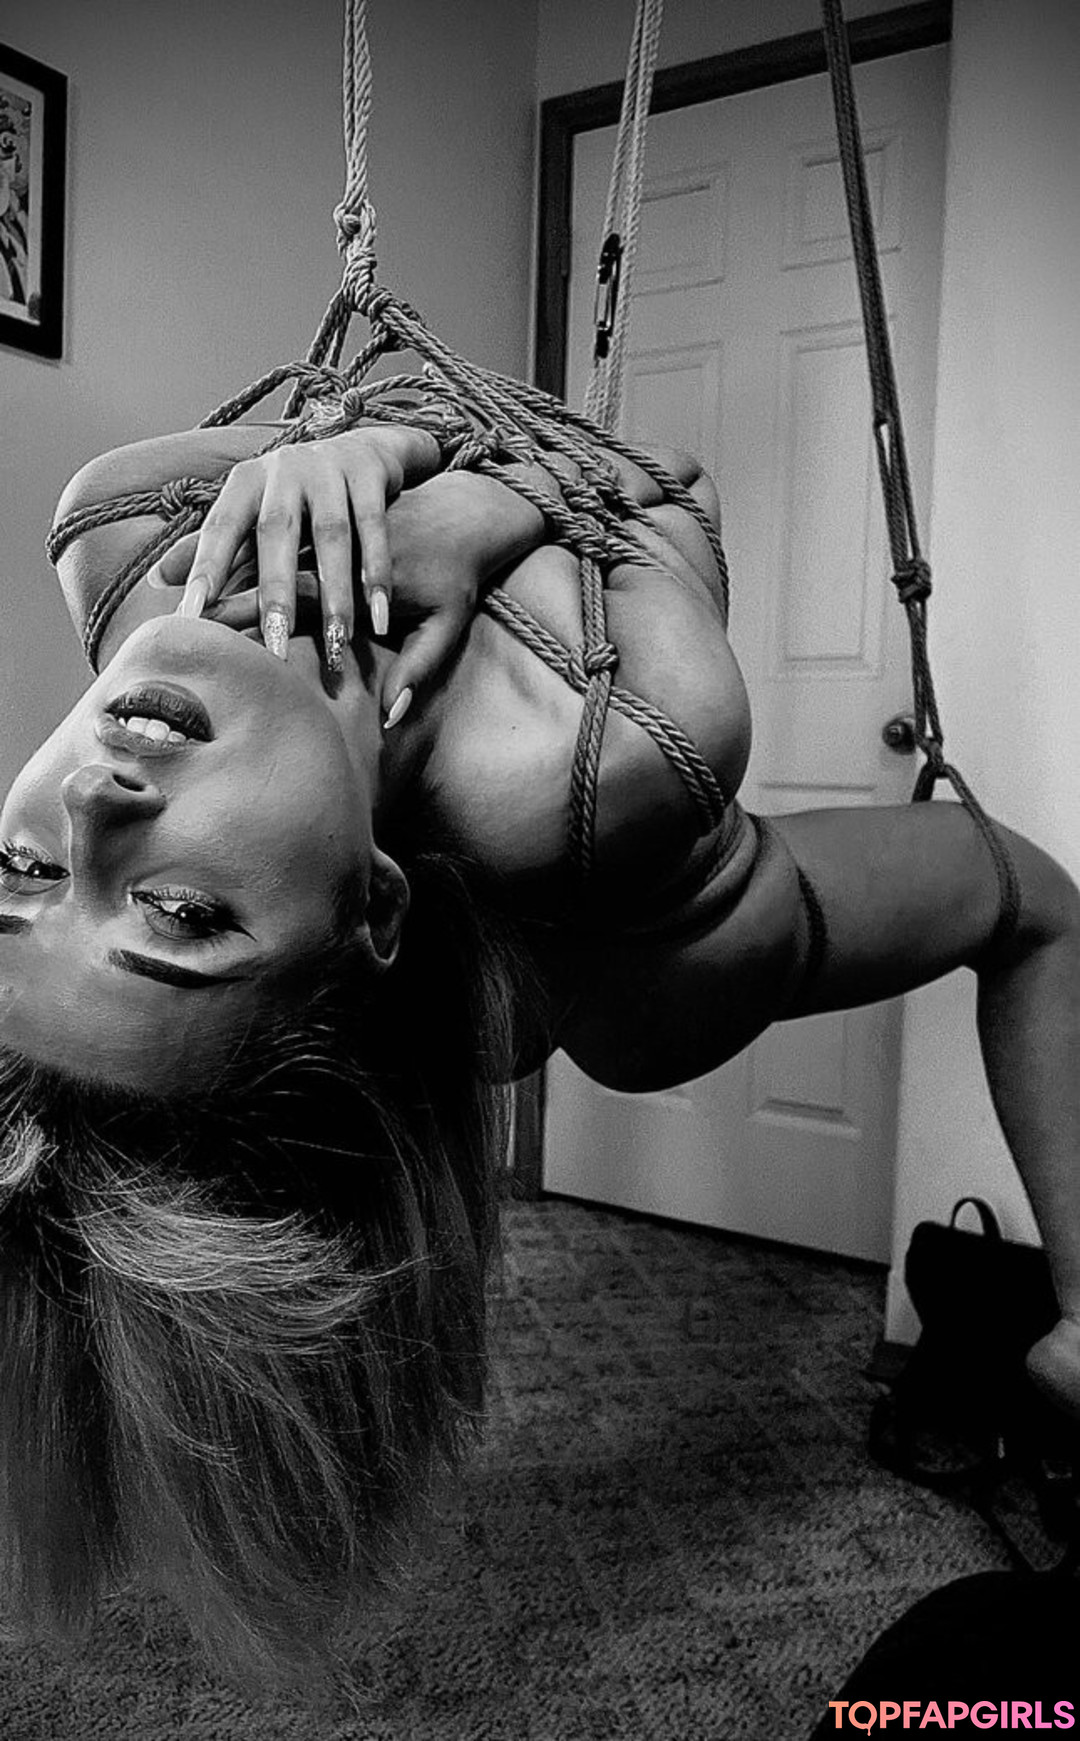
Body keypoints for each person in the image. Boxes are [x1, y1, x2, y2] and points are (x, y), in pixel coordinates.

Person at [0, 417, 1077, 1688]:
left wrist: (361, 447)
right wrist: (484, 507)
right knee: (1031, 900)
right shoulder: (620, 755)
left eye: (23, 874)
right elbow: (676, 472)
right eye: (178, 916)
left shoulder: (117, 537)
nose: (88, 801)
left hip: (457, 966)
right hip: (673, 949)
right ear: (376, 907)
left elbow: (372, 386)